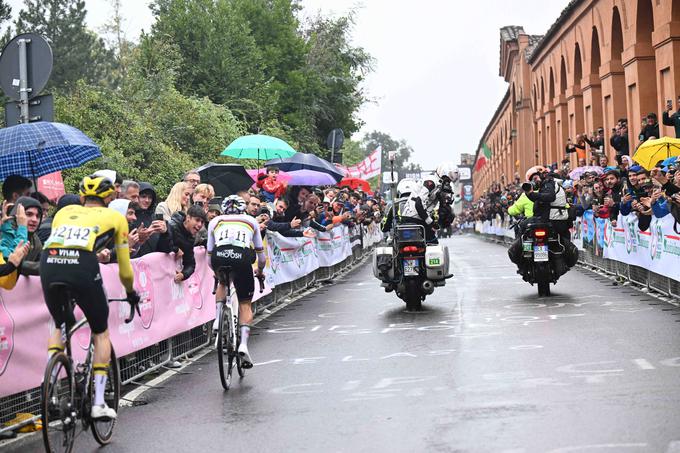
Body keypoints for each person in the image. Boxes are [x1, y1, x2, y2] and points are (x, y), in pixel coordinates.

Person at [40, 175, 140, 420]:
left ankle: (50, 388)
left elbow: (66, 243)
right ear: (110, 198)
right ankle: (97, 403)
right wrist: (130, 293)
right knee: (100, 331)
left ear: (82, 197)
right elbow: (125, 270)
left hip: (49, 262)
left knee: (60, 322)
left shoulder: (64, 213)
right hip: (82, 265)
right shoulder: (116, 217)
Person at [207, 195, 266, 369]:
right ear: (243, 208)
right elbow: (261, 257)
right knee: (245, 303)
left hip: (219, 256)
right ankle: (243, 345)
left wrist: (216, 273)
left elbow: (209, 257)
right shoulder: (250, 221)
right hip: (241, 259)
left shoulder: (215, 221)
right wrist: (260, 271)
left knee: (222, 283)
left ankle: (218, 318)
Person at [168, 204, 206, 283]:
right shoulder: (171, 226)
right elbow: (161, 244)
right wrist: (175, 249)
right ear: (188, 218)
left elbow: (191, 264)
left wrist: (183, 274)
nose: (199, 225)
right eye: (197, 220)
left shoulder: (190, 238)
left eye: (202, 222)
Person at [13, 196, 43, 276]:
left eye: (38, 216)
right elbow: (11, 265)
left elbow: (41, 262)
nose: (34, 219)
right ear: (17, 215)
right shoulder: (5, 235)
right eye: (29, 214)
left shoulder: (36, 240)